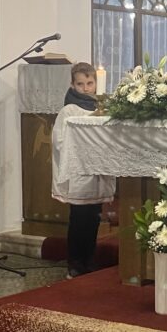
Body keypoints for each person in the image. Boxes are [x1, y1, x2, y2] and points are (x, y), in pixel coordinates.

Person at [52, 62, 116, 279]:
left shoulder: (103, 109)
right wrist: (82, 152)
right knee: (78, 219)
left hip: (97, 170)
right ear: (72, 85)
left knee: (94, 218)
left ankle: (89, 259)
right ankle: (74, 262)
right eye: (80, 84)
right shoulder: (69, 110)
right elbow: (59, 140)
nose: (86, 88)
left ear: (96, 83)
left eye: (89, 83)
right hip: (79, 171)